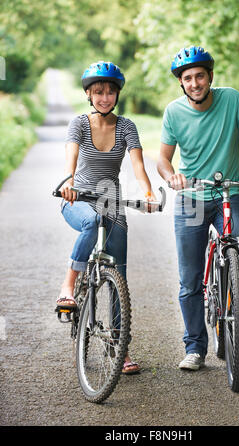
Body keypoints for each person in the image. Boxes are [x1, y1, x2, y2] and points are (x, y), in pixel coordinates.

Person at [157, 45, 239, 370]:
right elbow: (163, 159)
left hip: (228, 194)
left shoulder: (231, 100)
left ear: (210, 77)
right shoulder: (174, 112)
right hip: (193, 199)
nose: (195, 82)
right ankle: (195, 347)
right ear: (181, 83)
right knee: (190, 280)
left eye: (200, 75)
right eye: (188, 78)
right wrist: (172, 177)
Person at [56, 60, 157, 374]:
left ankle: (119, 347)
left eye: (110, 92)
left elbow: (139, 165)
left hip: (112, 204)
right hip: (78, 200)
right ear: (89, 94)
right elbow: (71, 157)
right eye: (98, 91)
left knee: (118, 280)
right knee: (90, 222)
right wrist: (69, 182)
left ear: (117, 95)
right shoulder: (79, 124)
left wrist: (148, 192)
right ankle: (68, 287)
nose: (104, 97)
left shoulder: (126, 126)